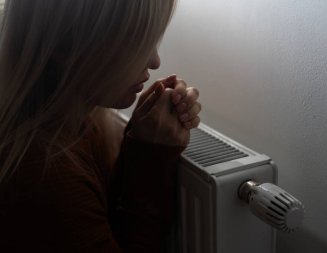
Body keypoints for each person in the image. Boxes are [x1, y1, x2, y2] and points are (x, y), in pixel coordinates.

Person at [0, 0, 201, 252]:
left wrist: (139, 138)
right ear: (66, 45)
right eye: (137, 43)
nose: (154, 61)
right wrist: (151, 158)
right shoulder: (45, 175)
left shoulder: (77, 122)